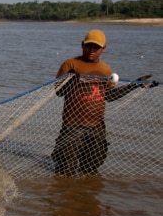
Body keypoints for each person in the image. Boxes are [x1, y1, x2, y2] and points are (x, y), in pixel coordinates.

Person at [52, 29, 157, 176]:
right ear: (82, 45)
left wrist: (134, 84)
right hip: (73, 124)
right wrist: (71, 81)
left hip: (97, 126)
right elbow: (59, 92)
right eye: (89, 46)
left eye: (96, 47)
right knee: (65, 169)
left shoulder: (105, 69)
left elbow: (110, 96)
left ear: (103, 49)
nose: (91, 50)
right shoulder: (71, 64)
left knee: (91, 169)